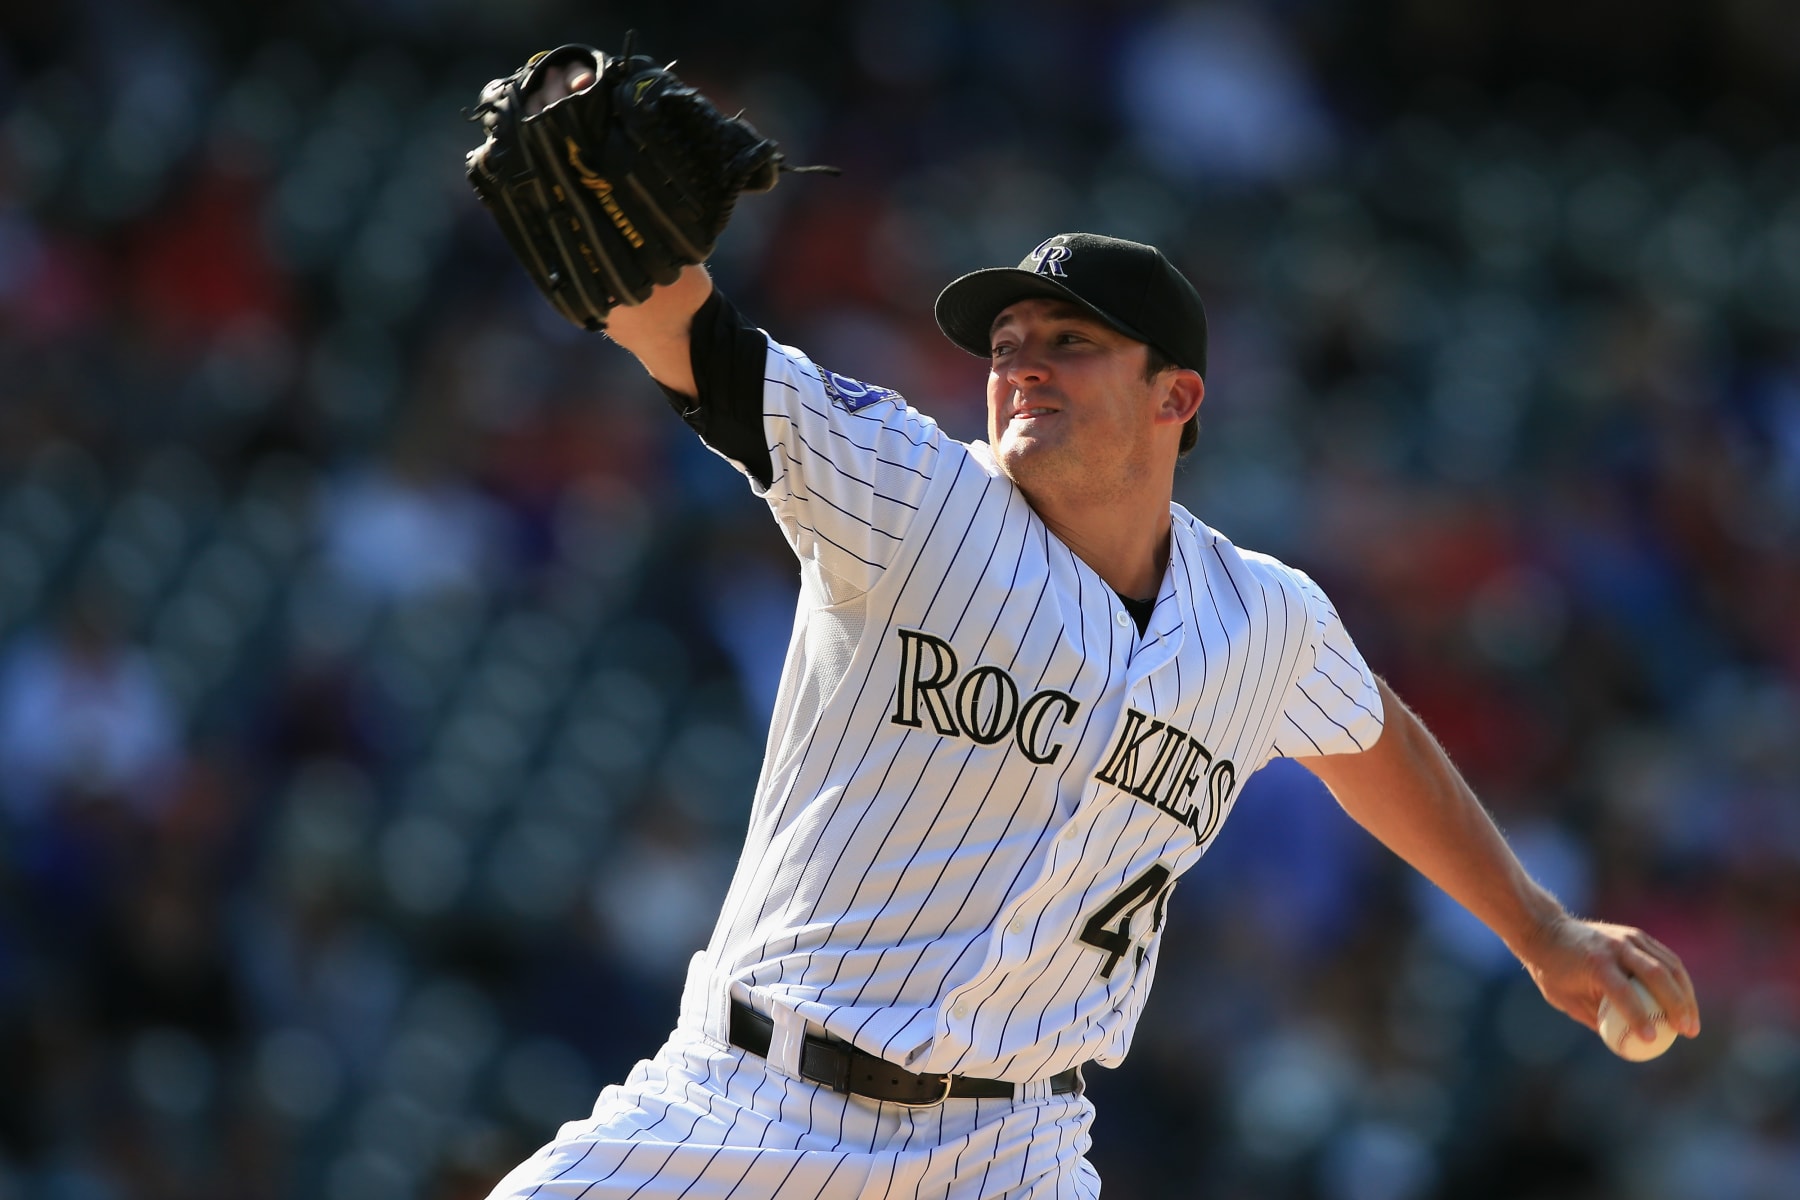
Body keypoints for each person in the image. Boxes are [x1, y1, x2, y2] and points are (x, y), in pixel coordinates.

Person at [483, 78, 1700, 1200]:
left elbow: (1373, 743)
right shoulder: (911, 499)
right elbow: (696, 344)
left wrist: (1540, 931)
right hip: (756, 1103)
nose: (1023, 369)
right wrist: (646, 267)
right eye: (1008, 347)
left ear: (1177, 398)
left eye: (1072, 343)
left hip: (1009, 1149)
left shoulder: (1262, 620)